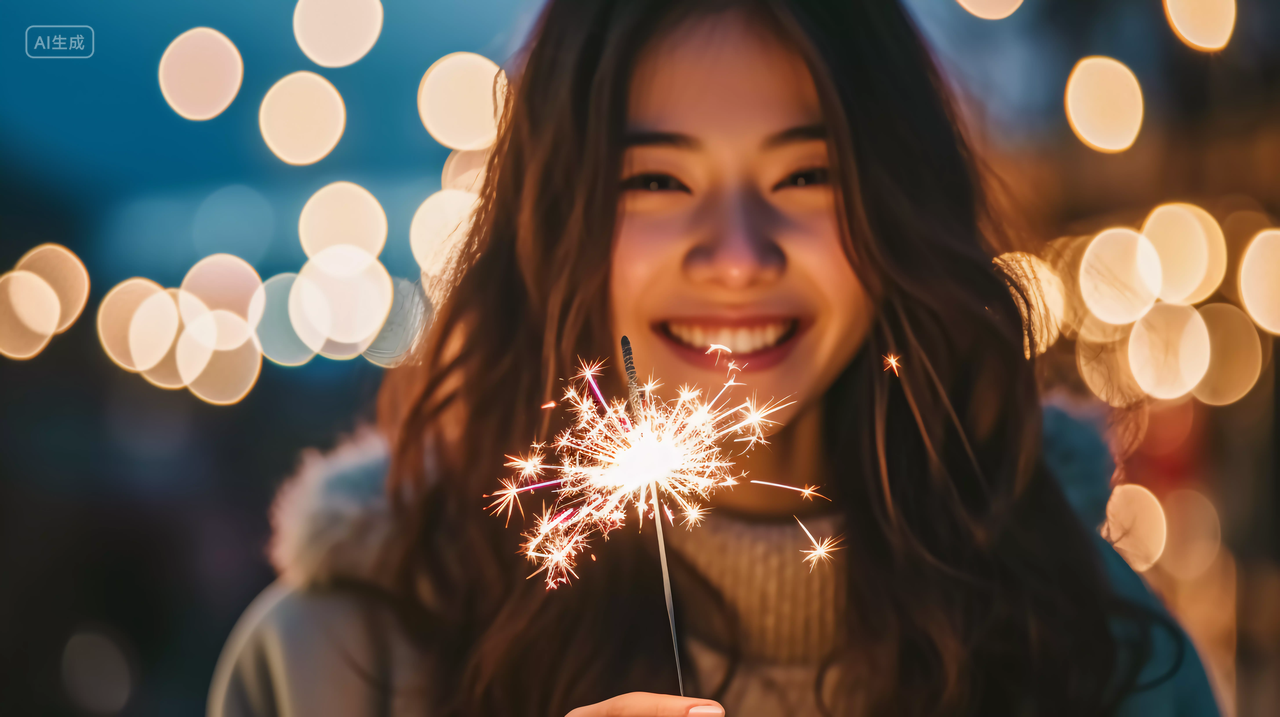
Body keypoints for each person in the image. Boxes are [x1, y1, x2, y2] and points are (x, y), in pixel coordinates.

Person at [208, 1, 1221, 715]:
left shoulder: (1092, 648)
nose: (737, 256)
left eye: (806, 174)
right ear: (558, 218)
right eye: (654, 179)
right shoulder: (334, 669)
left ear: (895, 210)